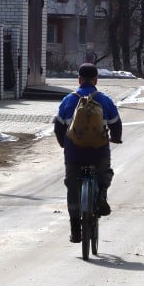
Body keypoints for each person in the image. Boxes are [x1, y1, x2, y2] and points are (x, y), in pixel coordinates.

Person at [54, 63, 123, 243]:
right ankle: (101, 196)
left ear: (79, 79)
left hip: (74, 153)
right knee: (104, 173)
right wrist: (115, 138)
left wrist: (64, 144)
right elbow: (116, 123)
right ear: (95, 80)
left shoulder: (68, 100)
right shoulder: (105, 100)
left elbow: (58, 126)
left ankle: (75, 229)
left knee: (72, 185)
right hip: (98, 152)